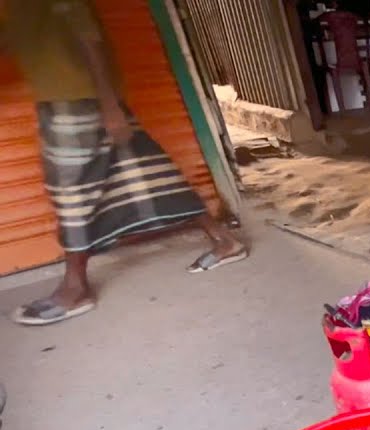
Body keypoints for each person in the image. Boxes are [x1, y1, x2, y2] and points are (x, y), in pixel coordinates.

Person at [1, 0, 246, 327]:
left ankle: (75, 287)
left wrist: (109, 105)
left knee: (71, 192)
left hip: (77, 100)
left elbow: (87, 36)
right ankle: (224, 240)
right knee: (145, 171)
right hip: (68, 99)